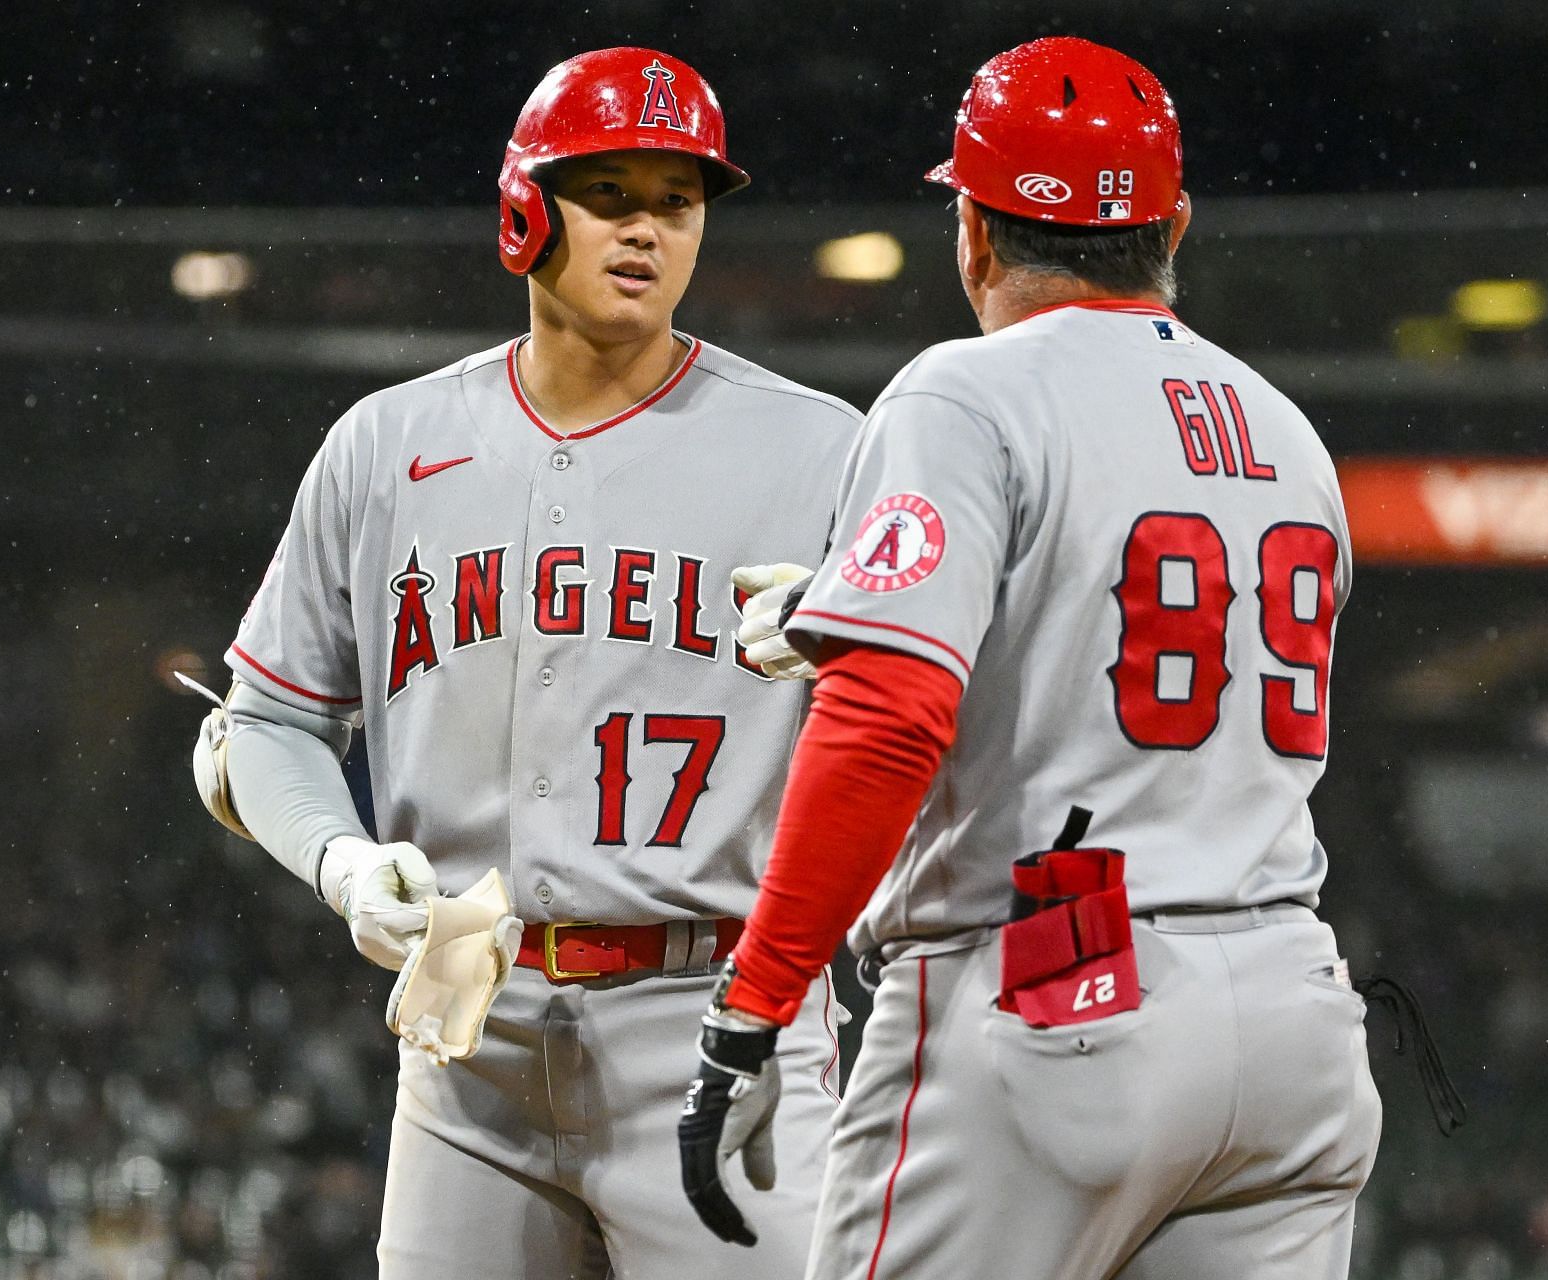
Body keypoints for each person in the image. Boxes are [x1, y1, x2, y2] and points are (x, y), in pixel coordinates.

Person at [678, 36, 1386, 1279]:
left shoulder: (965, 393)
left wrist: (755, 1001)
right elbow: (1116, 635)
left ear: (974, 234)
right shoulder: (1287, 430)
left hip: (1063, 988)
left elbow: (889, 716)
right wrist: (840, 609)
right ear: (1174, 223)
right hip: (1293, 1006)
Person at [190, 47, 859, 1279]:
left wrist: (864, 651)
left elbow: (951, 720)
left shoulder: (825, 453)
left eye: (679, 198)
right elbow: (260, 722)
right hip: (466, 1039)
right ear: (525, 209)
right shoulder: (386, 445)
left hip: (724, 1026)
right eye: (611, 193)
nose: (648, 228)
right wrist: (341, 862)